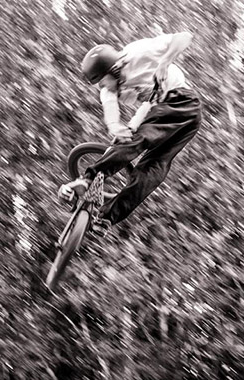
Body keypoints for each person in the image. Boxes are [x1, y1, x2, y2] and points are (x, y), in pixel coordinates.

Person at [59, 32, 202, 231]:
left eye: (102, 81)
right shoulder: (108, 92)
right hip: (166, 110)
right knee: (151, 170)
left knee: (138, 141)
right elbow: (114, 123)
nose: (102, 87)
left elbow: (185, 37)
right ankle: (105, 218)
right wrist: (119, 130)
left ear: (114, 69)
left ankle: (89, 178)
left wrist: (164, 63)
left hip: (183, 101)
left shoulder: (139, 52)